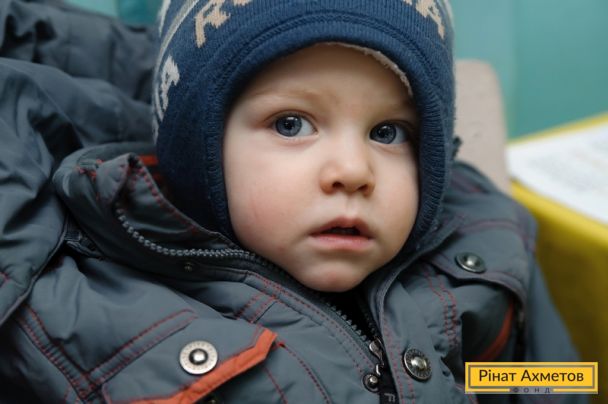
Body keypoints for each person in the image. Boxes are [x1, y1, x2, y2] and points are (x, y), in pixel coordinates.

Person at [0, 0, 585, 403]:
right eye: (290, 124)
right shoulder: (88, 305)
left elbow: (542, 381)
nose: (352, 171)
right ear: (197, 151)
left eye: (388, 132)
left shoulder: (485, 234)